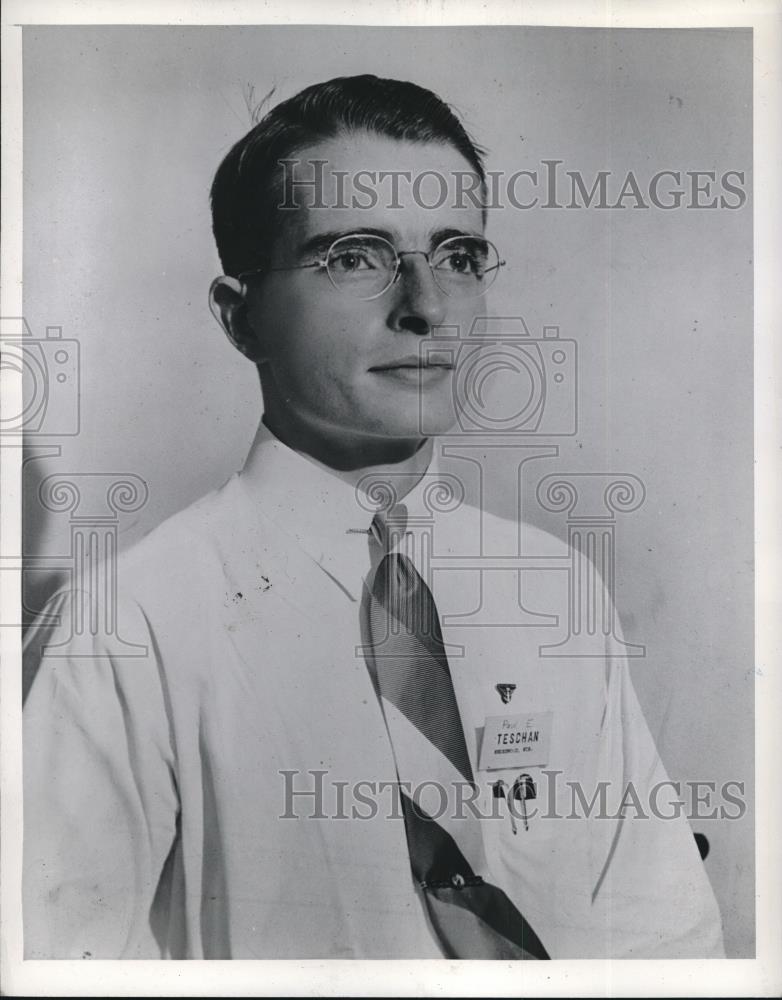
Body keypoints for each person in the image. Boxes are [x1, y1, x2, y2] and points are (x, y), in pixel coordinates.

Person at [22, 74, 725, 959]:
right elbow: (60, 959)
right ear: (240, 317)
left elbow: (666, 943)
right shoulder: (129, 626)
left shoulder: (551, 588)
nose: (425, 306)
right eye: (354, 255)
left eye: (459, 256)